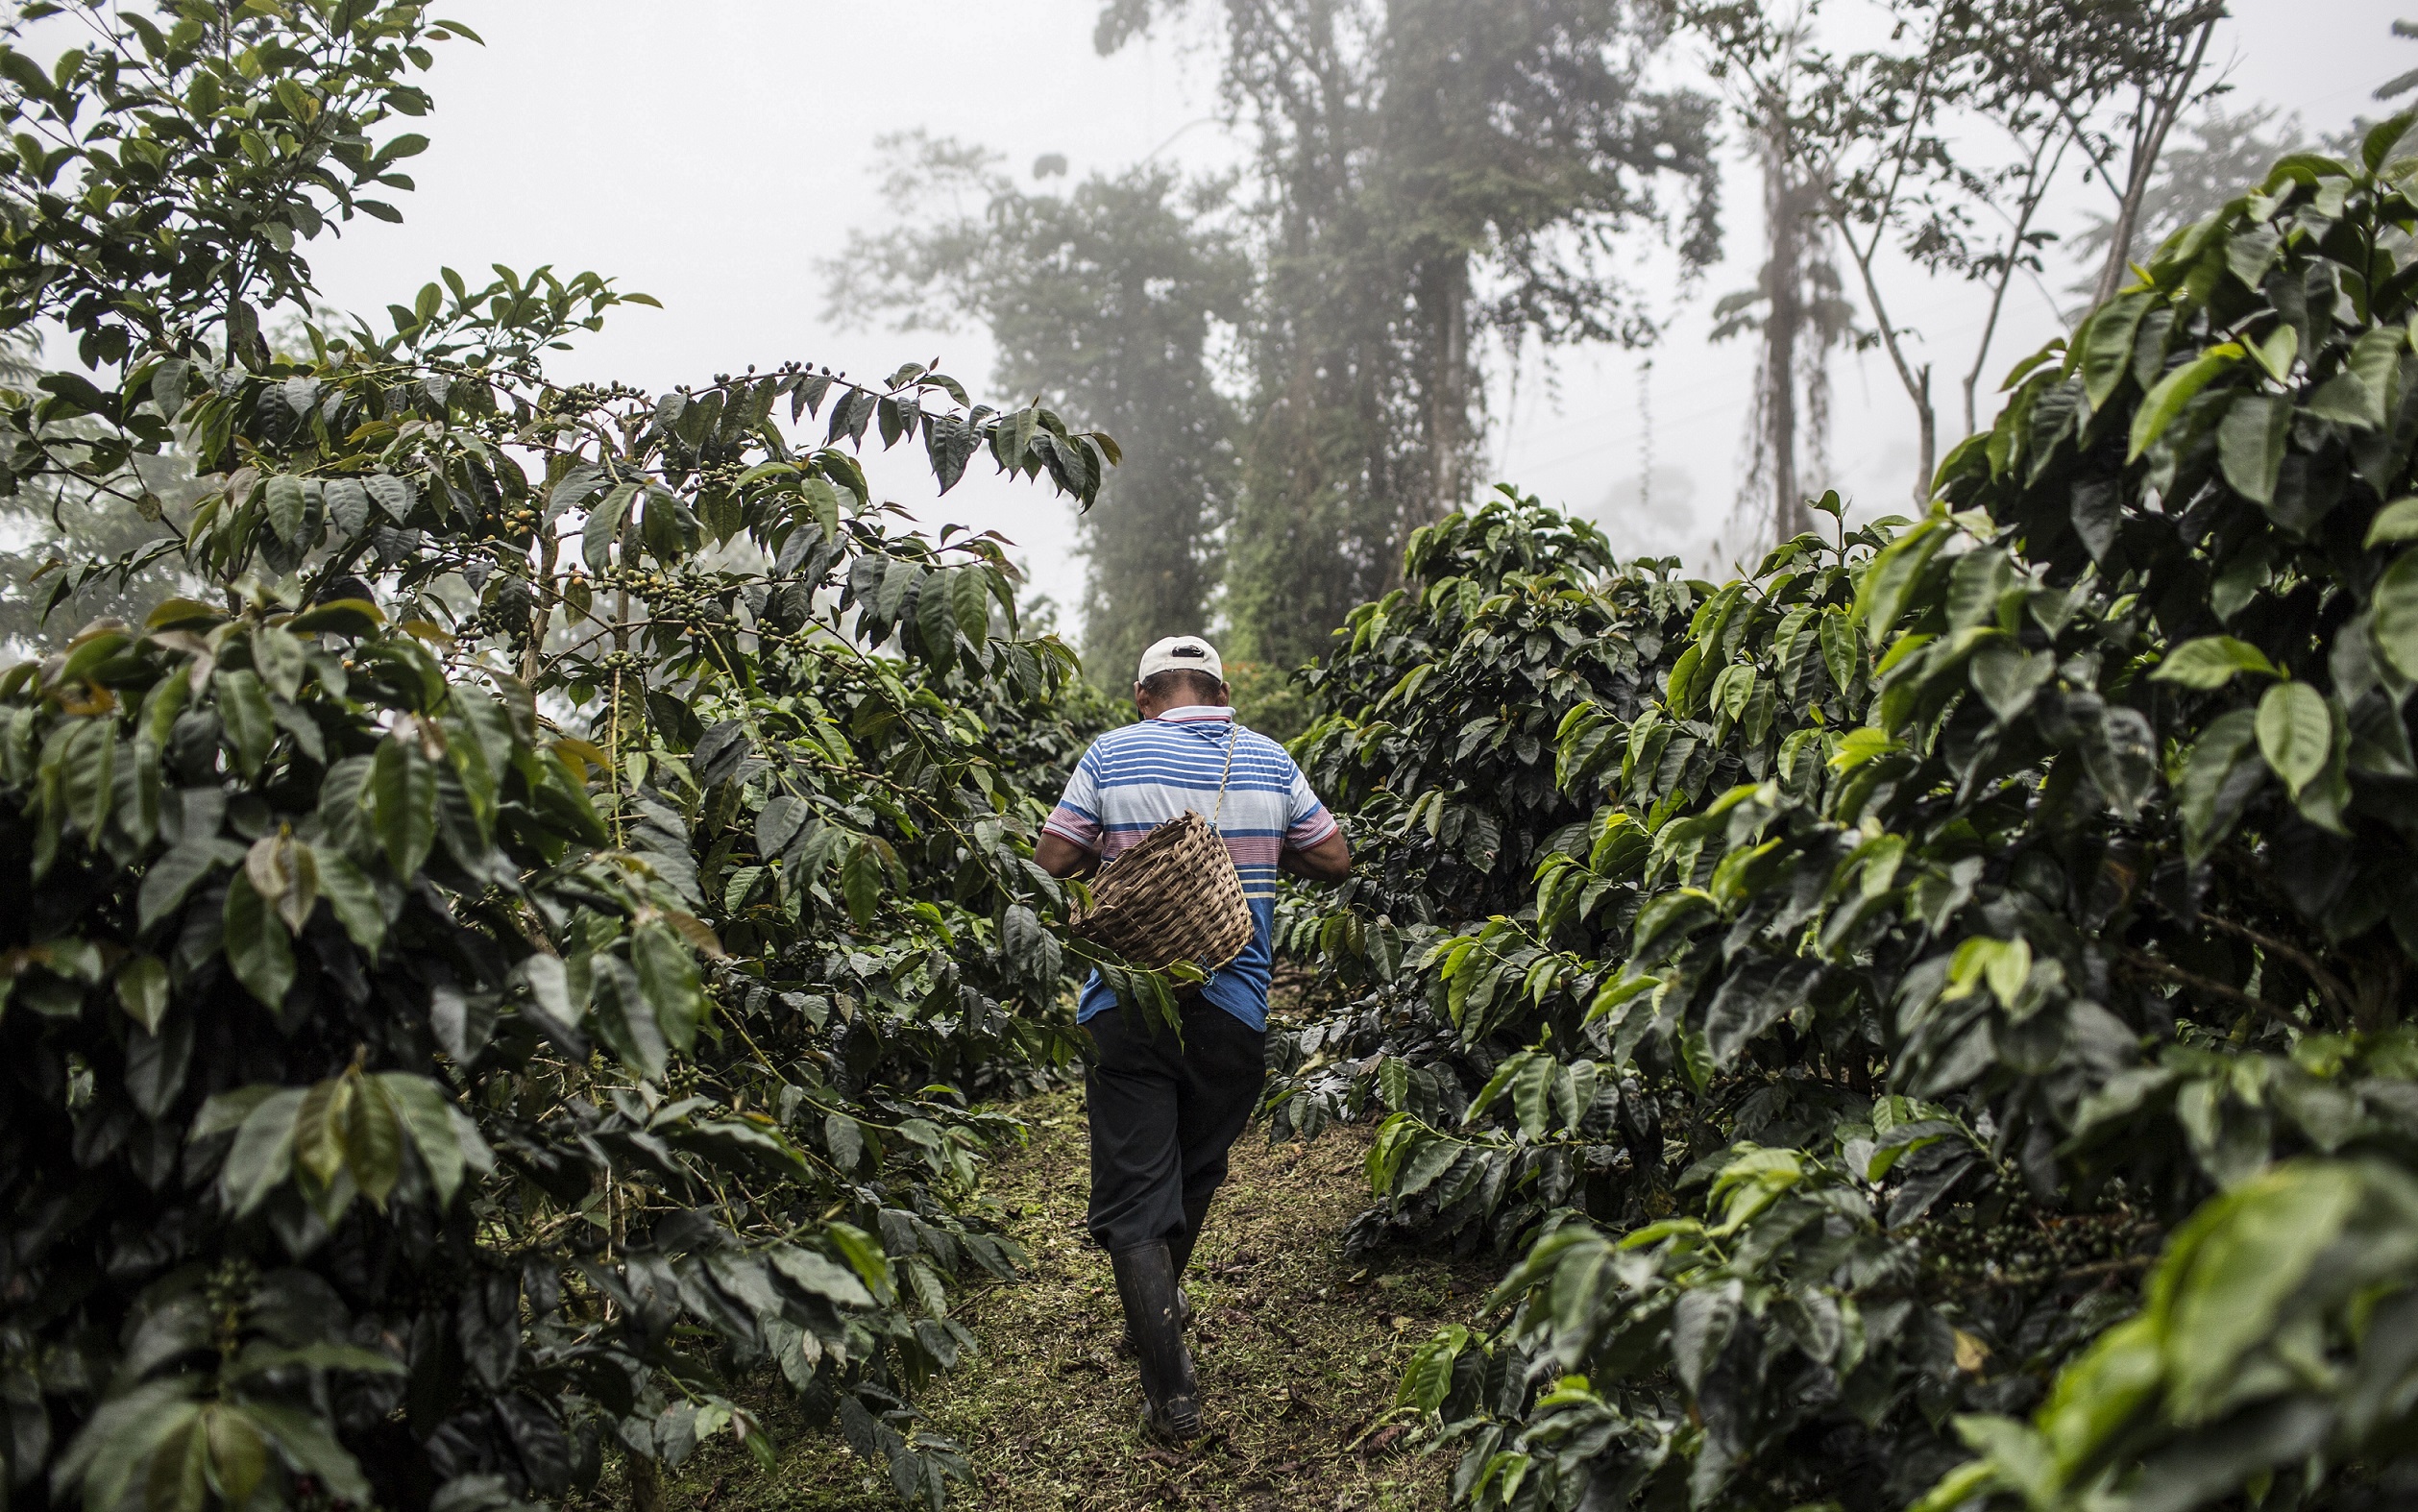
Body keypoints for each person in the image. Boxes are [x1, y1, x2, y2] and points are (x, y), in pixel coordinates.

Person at [1035, 634, 1351, 1442]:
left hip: (1126, 1001)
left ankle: (1169, 1388)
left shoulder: (1110, 753)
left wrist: (1119, 855)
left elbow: (1054, 854)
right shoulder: (1270, 760)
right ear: (1220, 688)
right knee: (1198, 1166)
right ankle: (1161, 1311)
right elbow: (1334, 858)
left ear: (1144, 696)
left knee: (1137, 1191)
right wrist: (1261, 849)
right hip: (1234, 1005)